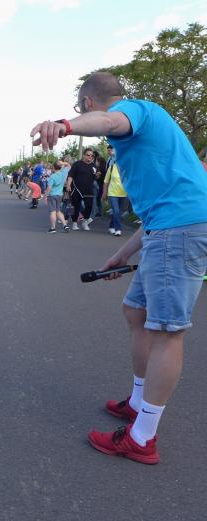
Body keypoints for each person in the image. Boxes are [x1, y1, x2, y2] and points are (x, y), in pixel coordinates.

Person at [31, 70, 207, 465]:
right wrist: (122, 254)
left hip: (180, 230)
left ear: (87, 103)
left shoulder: (132, 111)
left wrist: (64, 125)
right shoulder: (148, 129)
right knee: (135, 311)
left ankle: (142, 438)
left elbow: (110, 122)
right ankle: (140, 401)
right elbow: (159, 211)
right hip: (168, 226)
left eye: (81, 110)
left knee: (167, 331)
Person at [65, 148, 97, 231]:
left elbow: (94, 177)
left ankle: (85, 222)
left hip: (88, 189)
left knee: (89, 206)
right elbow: (70, 175)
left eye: (92, 155)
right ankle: (74, 223)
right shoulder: (77, 164)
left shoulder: (93, 165)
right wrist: (68, 185)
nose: (90, 157)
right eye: (88, 155)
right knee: (76, 206)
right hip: (77, 188)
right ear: (84, 155)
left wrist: (97, 176)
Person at [102, 144, 128, 236]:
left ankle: (111, 226)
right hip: (113, 193)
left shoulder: (127, 169)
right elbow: (106, 181)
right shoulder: (112, 167)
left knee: (119, 212)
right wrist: (104, 193)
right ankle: (118, 229)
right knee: (116, 211)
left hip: (124, 194)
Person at [45, 161, 69, 233]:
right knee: (58, 211)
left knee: (53, 211)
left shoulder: (52, 176)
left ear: (53, 167)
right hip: (60, 195)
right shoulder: (63, 174)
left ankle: (53, 228)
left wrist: (45, 196)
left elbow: (49, 187)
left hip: (52, 195)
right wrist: (62, 163)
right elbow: (67, 164)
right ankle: (65, 225)